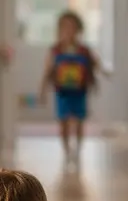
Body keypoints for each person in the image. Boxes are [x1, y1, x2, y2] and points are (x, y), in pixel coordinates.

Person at [38, 11, 104, 163]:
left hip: (80, 91)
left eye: (72, 28)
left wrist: (100, 72)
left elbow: (95, 64)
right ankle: (67, 150)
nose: (69, 31)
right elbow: (47, 70)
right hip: (62, 92)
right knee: (64, 121)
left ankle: (79, 149)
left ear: (79, 30)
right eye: (65, 28)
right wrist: (42, 90)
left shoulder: (84, 50)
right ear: (59, 30)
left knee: (80, 120)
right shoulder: (55, 50)